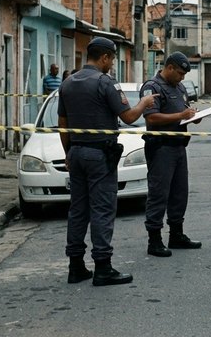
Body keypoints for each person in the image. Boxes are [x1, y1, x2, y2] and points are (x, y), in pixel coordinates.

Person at [57, 37, 158, 286]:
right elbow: (130, 116)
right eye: (112, 59)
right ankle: (102, 267)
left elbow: (63, 125)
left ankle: (76, 266)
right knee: (102, 209)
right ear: (104, 58)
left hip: (77, 152)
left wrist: (69, 152)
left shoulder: (68, 83)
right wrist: (144, 102)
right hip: (99, 155)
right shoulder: (105, 82)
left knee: (78, 210)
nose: (112, 64)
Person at [140, 52, 203, 258]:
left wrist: (192, 117)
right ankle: (154, 240)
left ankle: (176, 234)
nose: (182, 78)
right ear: (169, 67)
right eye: (180, 73)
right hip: (161, 148)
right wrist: (180, 116)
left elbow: (183, 111)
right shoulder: (152, 87)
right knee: (159, 193)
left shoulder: (179, 88)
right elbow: (152, 118)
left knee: (179, 193)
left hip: (178, 146)